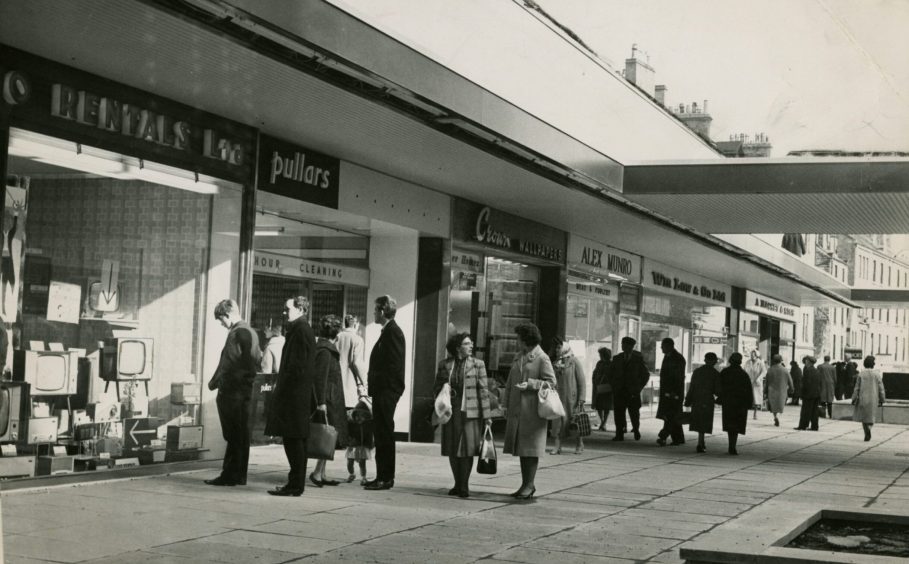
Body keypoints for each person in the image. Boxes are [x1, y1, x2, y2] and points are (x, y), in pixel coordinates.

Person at [205, 299, 261, 487]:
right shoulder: (252, 332)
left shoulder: (235, 334)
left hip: (231, 391)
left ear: (227, 314)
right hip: (246, 389)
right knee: (241, 434)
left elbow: (227, 363)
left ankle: (228, 474)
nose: (222, 324)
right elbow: (257, 359)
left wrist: (213, 383)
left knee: (231, 434)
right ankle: (239, 475)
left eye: (221, 320)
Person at [265, 296, 316, 497]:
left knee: (293, 440)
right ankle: (295, 483)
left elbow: (297, 366)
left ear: (300, 309)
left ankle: (295, 484)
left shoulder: (300, 330)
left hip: (294, 396)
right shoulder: (301, 329)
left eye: (288, 309)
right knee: (296, 440)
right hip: (297, 395)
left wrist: (285, 388)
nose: (284, 312)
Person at [433, 332, 492, 498]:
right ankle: (457, 483)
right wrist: (443, 389)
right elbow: (436, 387)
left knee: (467, 449)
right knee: (452, 447)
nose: (471, 346)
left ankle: (464, 485)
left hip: (471, 412)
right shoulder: (445, 364)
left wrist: (487, 416)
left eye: (471, 343)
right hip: (451, 410)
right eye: (467, 343)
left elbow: (484, 391)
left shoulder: (478, 364)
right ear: (458, 348)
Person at [502, 323, 555, 500]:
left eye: (518, 338)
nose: (517, 341)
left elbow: (551, 382)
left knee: (530, 450)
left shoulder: (542, 358)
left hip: (532, 412)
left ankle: (529, 484)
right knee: (522, 449)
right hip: (518, 410)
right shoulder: (519, 357)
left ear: (526, 339)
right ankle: (525, 484)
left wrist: (531, 384)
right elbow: (510, 382)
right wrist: (505, 404)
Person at [364, 295, 405, 491]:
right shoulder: (388, 331)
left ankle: (385, 477)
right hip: (383, 391)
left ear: (382, 311)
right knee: (381, 434)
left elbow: (394, 365)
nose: (373, 313)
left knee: (384, 434)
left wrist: (390, 390)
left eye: (375, 310)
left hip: (386, 391)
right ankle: (382, 475)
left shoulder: (393, 332)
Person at [308, 314, 349, 487]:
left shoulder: (323, 348)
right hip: (329, 399)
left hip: (330, 398)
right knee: (326, 434)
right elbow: (320, 378)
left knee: (328, 436)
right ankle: (318, 472)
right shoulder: (326, 351)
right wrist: (321, 402)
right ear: (336, 333)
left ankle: (321, 472)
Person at [549, 338, 587, 455]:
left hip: (572, 399)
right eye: (556, 347)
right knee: (557, 423)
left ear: (564, 348)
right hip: (558, 398)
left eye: (559, 347)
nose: (557, 350)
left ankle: (579, 443)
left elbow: (582, 382)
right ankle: (557, 445)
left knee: (574, 423)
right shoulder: (555, 363)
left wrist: (581, 399)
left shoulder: (574, 362)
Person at [610, 336, 650, 441]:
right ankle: (619, 433)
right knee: (619, 413)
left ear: (631, 347)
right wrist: (614, 385)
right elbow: (610, 373)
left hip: (633, 391)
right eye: (622, 344)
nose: (623, 346)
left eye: (626, 345)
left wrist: (639, 387)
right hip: (619, 390)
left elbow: (645, 375)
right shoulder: (617, 358)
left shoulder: (638, 359)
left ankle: (636, 429)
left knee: (634, 413)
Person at [718, 352, 752, 455]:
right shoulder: (744, 374)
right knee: (737, 425)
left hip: (728, 402)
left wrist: (720, 398)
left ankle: (731, 445)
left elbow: (719, 386)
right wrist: (749, 403)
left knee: (730, 424)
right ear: (740, 362)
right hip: (740, 403)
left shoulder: (725, 372)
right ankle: (733, 445)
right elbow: (748, 390)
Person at [685, 352, 719, 453]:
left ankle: (701, 441)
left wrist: (688, 399)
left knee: (699, 421)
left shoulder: (697, 372)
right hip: (708, 399)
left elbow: (692, 387)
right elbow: (718, 390)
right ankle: (701, 442)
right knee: (704, 421)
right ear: (714, 361)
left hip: (697, 399)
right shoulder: (715, 374)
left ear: (705, 360)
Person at [656, 338, 686, 447]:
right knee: (673, 415)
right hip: (667, 392)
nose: (661, 348)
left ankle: (663, 436)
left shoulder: (677, 358)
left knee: (671, 416)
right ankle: (678, 438)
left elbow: (678, 377)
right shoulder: (668, 356)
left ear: (669, 346)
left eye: (663, 346)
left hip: (673, 393)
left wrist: (674, 392)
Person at [852, 355, 885, 441]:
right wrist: (882, 399)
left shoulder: (861, 374)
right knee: (871, 416)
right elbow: (881, 388)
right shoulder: (877, 374)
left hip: (863, 398)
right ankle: (869, 428)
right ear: (873, 364)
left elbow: (857, 388)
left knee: (864, 417)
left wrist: (854, 398)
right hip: (873, 398)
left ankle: (866, 431)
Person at [337, 314, 367, 409]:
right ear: (356, 324)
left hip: (336, 383)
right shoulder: (358, 339)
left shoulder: (336, 337)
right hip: (350, 385)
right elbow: (357, 363)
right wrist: (364, 382)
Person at [345, 400, 374, 484]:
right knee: (349, 462)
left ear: (366, 416)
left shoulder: (367, 426)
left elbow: (369, 436)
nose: (359, 417)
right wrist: (349, 441)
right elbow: (348, 434)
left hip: (363, 446)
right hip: (352, 445)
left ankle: (363, 477)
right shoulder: (351, 424)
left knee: (362, 463)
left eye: (362, 416)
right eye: (357, 415)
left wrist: (370, 444)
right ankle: (351, 474)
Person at [765, 354, 793, 427]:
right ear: (781, 361)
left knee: (773, 406)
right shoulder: (785, 370)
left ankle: (775, 417)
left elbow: (766, 382)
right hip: (782, 391)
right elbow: (790, 381)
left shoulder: (770, 369)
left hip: (772, 391)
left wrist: (765, 391)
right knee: (780, 406)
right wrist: (792, 389)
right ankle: (778, 417)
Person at [794, 356, 821, 431]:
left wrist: (802, 393)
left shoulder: (807, 371)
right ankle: (815, 426)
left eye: (805, 361)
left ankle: (803, 425)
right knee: (814, 411)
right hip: (816, 394)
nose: (805, 362)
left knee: (805, 411)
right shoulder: (817, 371)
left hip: (808, 394)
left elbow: (806, 383)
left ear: (808, 361)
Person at [591, 347, 613, 432]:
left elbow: (611, 374)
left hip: (607, 387)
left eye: (600, 354)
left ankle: (604, 423)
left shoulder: (610, 363)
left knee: (607, 406)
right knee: (599, 406)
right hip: (599, 386)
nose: (599, 356)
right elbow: (595, 372)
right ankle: (602, 422)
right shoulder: (599, 363)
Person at [744, 350, 766, 420]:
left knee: (756, 399)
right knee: (747, 397)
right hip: (749, 382)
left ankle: (755, 413)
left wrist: (759, 379)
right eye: (751, 355)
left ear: (756, 355)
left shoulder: (760, 363)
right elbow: (744, 371)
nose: (752, 356)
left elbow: (764, 372)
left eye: (754, 355)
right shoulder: (748, 362)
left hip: (757, 383)